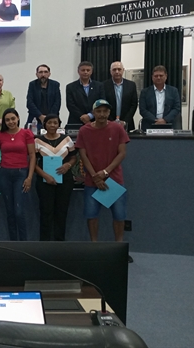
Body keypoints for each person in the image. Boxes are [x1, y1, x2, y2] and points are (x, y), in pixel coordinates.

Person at [75, 99, 132, 261]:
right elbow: (83, 155)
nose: (101, 114)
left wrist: (105, 172)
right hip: (92, 180)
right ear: (93, 112)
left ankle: (119, 248)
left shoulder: (117, 128)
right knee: (92, 216)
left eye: (105, 111)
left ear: (109, 113)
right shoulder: (84, 130)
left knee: (119, 216)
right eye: (98, 111)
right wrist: (95, 176)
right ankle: (94, 247)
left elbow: (122, 153)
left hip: (114, 179)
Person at [0, 108, 36, 241]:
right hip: (4, 174)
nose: (10, 122)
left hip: (21, 174)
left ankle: (23, 243)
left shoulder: (26, 133)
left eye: (13, 119)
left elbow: (32, 155)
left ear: (18, 118)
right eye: (7, 120)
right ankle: (13, 243)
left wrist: (29, 178)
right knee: (10, 212)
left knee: (19, 211)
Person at [34, 114, 77, 241]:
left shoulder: (67, 139)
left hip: (65, 180)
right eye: (49, 123)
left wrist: (68, 165)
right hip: (44, 181)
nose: (52, 125)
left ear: (59, 124)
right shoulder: (37, 141)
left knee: (61, 212)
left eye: (55, 123)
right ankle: (45, 243)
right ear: (44, 125)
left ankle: (59, 243)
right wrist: (45, 175)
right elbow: (33, 163)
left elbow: (74, 157)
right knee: (46, 212)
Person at [139, 65, 181, 131]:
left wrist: (165, 120)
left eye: (161, 75)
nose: (158, 78)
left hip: (169, 125)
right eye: (156, 76)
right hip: (149, 126)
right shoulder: (145, 92)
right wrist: (155, 120)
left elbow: (176, 108)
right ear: (152, 77)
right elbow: (143, 110)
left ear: (166, 76)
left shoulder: (173, 91)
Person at [103, 61, 138, 131]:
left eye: (119, 69)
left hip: (127, 124)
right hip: (108, 123)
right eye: (114, 69)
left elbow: (134, 104)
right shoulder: (103, 85)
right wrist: (111, 121)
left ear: (123, 70)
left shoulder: (131, 85)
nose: (117, 72)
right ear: (110, 71)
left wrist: (125, 121)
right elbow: (103, 104)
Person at [26, 64, 62, 129]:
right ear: (36, 74)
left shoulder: (55, 85)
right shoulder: (32, 85)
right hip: (35, 119)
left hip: (52, 119)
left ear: (49, 74)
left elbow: (57, 102)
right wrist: (40, 116)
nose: (43, 75)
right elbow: (29, 103)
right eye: (40, 72)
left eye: (45, 72)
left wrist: (49, 118)